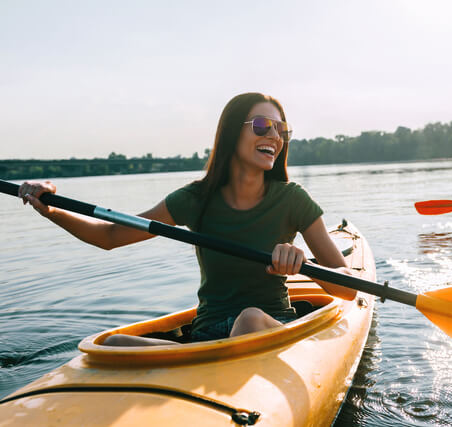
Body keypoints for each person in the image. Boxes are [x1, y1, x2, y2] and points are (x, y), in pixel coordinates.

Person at [18, 92, 356, 346]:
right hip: (207, 335)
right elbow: (109, 236)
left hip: (268, 326)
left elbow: (347, 287)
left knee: (249, 319)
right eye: (262, 125)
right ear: (230, 133)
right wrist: (50, 208)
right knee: (112, 343)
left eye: (282, 130)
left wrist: (302, 263)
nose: (275, 137)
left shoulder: (292, 199)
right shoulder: (195, 199)